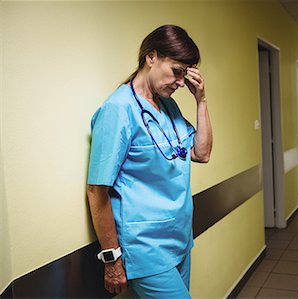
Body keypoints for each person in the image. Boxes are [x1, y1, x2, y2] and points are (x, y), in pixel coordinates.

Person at [86, 25, 212, 298]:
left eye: (185, 74)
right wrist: (112, 260)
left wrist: (201, 100)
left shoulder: (168, 106)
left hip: (179, 241)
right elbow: (97, 191)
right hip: (146, 250)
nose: (180, 82)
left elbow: (201, 153)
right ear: (151, 57)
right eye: (177, 71)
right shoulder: (118, 110)